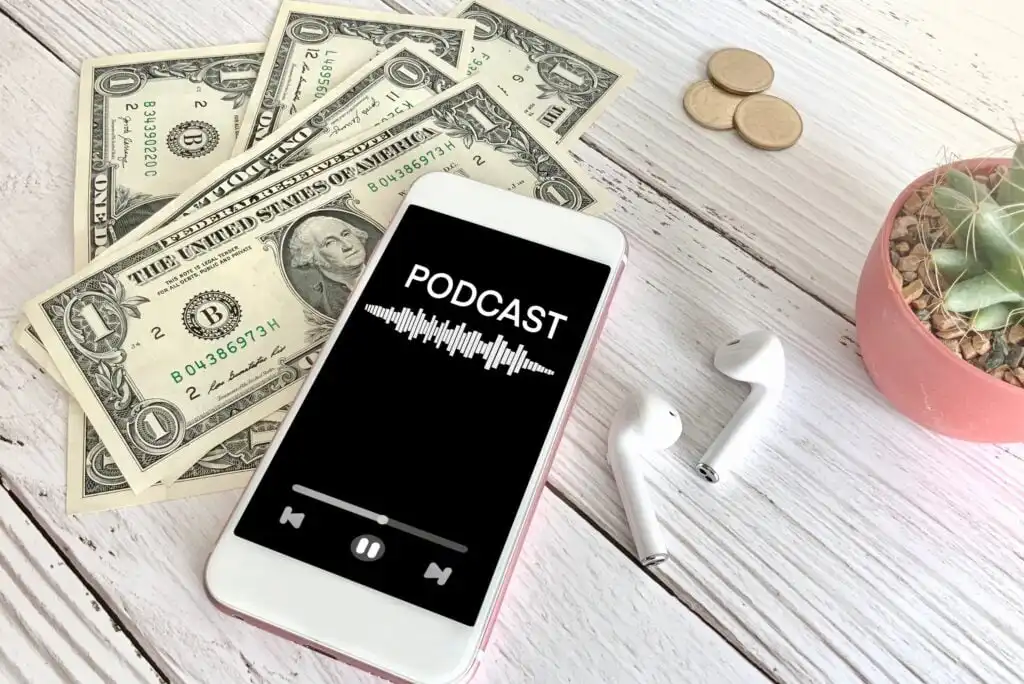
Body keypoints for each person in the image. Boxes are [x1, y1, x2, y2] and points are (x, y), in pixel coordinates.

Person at [288, 214, 369, 318]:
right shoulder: (330, 309)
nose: (348, 245)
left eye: (346, 234)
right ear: (312, 258)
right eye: (330, 242)